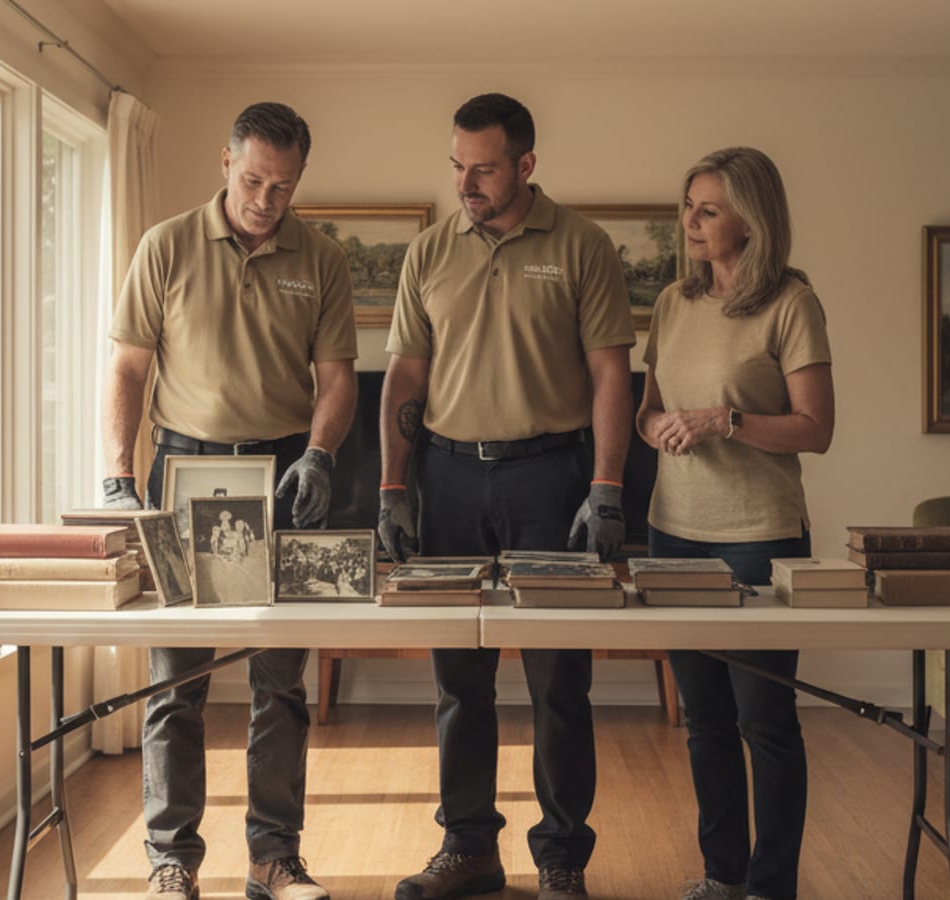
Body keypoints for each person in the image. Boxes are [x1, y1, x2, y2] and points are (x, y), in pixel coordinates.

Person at [378, 92, 635, 900]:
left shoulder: (584, 245)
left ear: (526, 164)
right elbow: (406, 376)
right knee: (461, 676)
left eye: (483, 167)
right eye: (457, 165)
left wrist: (606, 486)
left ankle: (561, 856)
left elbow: (609, 373)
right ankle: (469, 847)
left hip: (550, 475)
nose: (466, 182)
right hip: (448, 474)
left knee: (560, 679)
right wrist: (393, 485)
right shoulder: (429, 252)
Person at [102, 101, 357, 900]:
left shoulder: (321, 257)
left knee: (279, 680)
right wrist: (118, 474)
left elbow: (338, 378)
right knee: (176, 680)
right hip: (187, 473)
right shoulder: (167, 245)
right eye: (253, 180)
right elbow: (128, 370)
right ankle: (170, 860)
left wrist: (320, 454)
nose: (265, 200)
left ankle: (272, 858)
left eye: (282, 187)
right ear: (225, 162)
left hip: (283, 475)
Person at [635, 147, 835, 900]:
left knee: (766, 721)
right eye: (687, 205)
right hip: (673, 533)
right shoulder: (671, 303)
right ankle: (722, 877)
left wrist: (726, 419)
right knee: (704, 720)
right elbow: (649, 408)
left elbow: (816, 428)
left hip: (759, 537)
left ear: (750, 219)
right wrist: (660, 429)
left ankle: (770, 886)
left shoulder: (792, 303)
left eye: (707, 208)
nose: (690, 220)